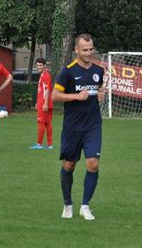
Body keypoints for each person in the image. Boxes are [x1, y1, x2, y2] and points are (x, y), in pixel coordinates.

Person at [52, 34, 105, 221]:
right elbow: (55, 96)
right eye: (85, 50)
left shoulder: (99, 70)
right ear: (76, 50)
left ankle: (85, 206)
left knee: (93, 163)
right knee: (69, 164)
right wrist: (75, 96)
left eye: (91, 49)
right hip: (72, 127)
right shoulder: (68, 71)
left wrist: (100, 94)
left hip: (93, 125)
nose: (89, 53)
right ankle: (67, 204)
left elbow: (97, 89)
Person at [29, 58, 54, 150]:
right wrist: (37, 102)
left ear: (45, 66)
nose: (38, 67)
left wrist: (45, 103)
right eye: (37, 65)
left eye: (40, 65)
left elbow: (47, 90)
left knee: (41, 122)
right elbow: (42, 90)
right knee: (47, 123)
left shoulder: (46, 75)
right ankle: (49, 145)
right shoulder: (43, 74)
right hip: (44, 101)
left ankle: (39, 144)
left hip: (44, 102)